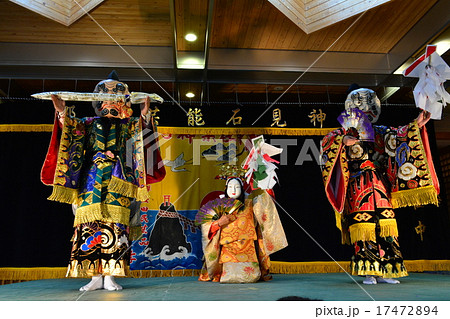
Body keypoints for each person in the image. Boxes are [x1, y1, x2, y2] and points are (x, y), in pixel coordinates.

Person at [41, 71, 165, 291]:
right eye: (106, 97)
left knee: (116, 228)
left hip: (119, 180)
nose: (110, 102)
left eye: (116, 97)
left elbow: (143, 139)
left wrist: (145, 117)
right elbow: (71, 132)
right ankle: (93, 276)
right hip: (90, 180)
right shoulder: (87, 124)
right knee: (89, 227)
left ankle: (111, 275)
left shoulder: (127, 125)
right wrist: (62, 113)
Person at [320, 87, 439, 285]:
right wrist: (342, 142)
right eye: (361, 109)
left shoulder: (380, 132)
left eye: (368, 110)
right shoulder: (342, 133)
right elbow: (326, 143)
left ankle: (388, 269)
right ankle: (369, 271)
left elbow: (398, 135)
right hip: (357, 185)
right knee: (364, 225)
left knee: (386, 225)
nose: (364, 114)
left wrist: (415, 125)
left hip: (380, 183)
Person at [198, 171, 288, 283]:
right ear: (226, 189)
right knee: (229, 277)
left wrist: (267, 187)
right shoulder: (218, 206)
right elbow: (206, 226)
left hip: (248, 247)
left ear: (242, 189)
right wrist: (219, 223)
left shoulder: (250, 204)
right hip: (228, 248)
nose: (234, 190)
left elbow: (266, 204)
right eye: (230, 187)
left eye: (237, 187)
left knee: (252, 277)